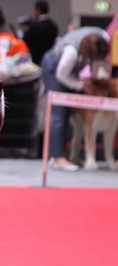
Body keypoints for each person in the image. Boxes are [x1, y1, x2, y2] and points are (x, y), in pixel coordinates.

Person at [41, 26, 110, 171]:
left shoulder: (103, 37)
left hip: (70, 71)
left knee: (69, 112)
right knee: (59, 111)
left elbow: (97, 64)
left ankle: (70, 156)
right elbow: (61, 75)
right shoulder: (71, 52)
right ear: (86, 51)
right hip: (54, 67)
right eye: (92, 58)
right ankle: (58, 158)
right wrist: (81, 85)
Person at [23, 0, 59, 65]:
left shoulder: (34, 25)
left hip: (35, 61)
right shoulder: (53, 26)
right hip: (49, 62)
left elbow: (25, 41)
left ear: (38, 10)